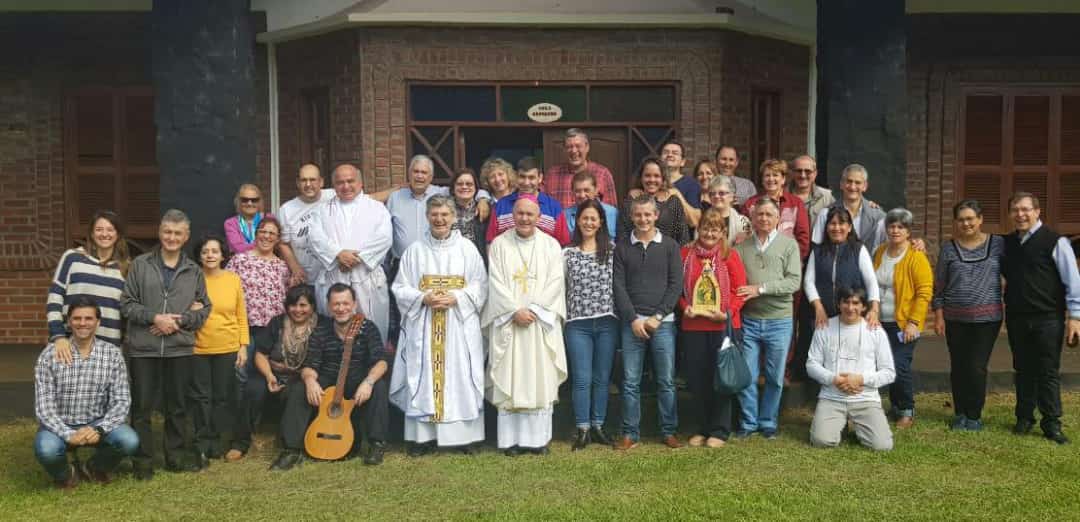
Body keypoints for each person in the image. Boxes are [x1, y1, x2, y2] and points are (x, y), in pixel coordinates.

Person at [391, 196, 488, 455]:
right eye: (434, 214)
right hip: (424, 322)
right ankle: (424, 438)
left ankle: (463, 438)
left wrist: (456, 297)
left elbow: (481, 284)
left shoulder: (467, 249)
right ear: (427, 216)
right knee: (424, 378)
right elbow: (400, 287)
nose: (440, 219)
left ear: (454, 217)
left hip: (458, 324)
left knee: (460, 377)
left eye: (445, 214)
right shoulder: (415, 250)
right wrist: (423, 297)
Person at [121, 209, 211, 479]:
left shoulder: (194, 270)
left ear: (186, 237)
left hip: (179, 349)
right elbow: (127, 304)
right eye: (167, 232)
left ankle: (174, 457)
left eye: (177, 233)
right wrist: (155, 318)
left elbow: (204, 308)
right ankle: (143, 463)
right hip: (143, 348)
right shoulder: (141, 264)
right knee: (142, 408)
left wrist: (181, 320)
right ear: (160, 233)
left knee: (178, 408)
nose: (171, 237)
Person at [483, 195, 568, 455]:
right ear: (513, 215)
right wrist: (513, 311)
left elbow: (556, 282)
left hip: (538, 325)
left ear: (539, 217)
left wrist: (533, 311)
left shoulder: (551, 245)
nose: (524, 218)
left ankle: (538, 441)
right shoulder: (499, 244)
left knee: (539, 380)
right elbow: (495, 281)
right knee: (511, 377)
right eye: (520, 213)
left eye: (530, 214)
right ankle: (511, 442)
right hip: (510, 323)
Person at [275, 284, 390, 468]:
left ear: (354, 304)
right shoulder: (321, 329)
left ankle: (377, 445)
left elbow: (381, 361)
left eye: (345, 303)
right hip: (327, 380)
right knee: (297, 388)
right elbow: (310, 364)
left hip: (357, 381)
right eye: (336, 304)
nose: (341, 308)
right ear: (329, 306)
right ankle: (291, 450)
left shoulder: (367, 328)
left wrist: (368, 382)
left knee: (379, 386)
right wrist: (310, 380)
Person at [1001, 192, 1080, 445]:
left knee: (1047, 372)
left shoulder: (1055, 242)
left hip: (1048, 319)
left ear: (1037, 212)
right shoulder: (1008, 243)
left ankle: (1051, 423)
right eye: (1015, 210)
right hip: (1017, 318)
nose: (1020, 214)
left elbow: (1073, 282)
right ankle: (1024, 418)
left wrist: (1075, 317)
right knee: (1022, 369)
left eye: (1025, 209)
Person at [34, 297, 137, 489]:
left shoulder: (112, 354)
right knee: (46, 449)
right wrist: (67, 433)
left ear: (98, 322)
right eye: (77, 318)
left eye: (88, 318)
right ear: (69, 321)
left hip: (97, 422)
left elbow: (122, 401)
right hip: (60, 422)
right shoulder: (49, 355)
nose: (83, 323)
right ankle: (66, 475)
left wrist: (100, 429)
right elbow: (44, 407)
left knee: (129, 441)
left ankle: (95, 467)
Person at [613, 195, 684, 450]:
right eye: (638, 215)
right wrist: (632, 319)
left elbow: (676, 285)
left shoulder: (670, 246)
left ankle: (669, 430)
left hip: (662, 323)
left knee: (666, 380)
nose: (643, 219)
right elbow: (618, 286)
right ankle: (630, 432)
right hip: (632, 324)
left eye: (648, 215)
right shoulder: (622, 247)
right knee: (631, 381)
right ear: (632, 216)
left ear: (656, 216)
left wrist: (657, 317)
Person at [234, 285, 329, 468]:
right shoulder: (278, 323)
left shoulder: (323, 325)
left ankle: (293, 448)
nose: (298, 310)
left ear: (313, 306)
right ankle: (240, 442)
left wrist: (298, 372)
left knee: (297, 391)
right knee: (253, 387)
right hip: (274, 374)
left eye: (303, 305)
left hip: (305, 377)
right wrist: (270, 375)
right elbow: (261, 354)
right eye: (293, 305)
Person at [932, 200, 1005, 432]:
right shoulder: (948, 249)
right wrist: (939, 315)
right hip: (955, 318)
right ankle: (960, 413)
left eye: (970, 218)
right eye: (961, 219)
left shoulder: (998, 244)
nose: (966, 223)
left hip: (988, 319)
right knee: (959, 366)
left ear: (980, 219)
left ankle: (974, 415)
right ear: (956, 222)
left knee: (976, 366)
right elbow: (940, 286)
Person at [733, 197, 802, 439]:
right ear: (752, 217)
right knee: (748, 376)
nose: (763, 218)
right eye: (759, 214)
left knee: (774, 376)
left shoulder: (789, 245)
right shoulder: (741, 248)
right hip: (749, 319)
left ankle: (768, 422)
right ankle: (749, 422)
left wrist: (759, 288)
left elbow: (793, 282)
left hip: (779, 320)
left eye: (768, 215)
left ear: (777, 219)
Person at [678, 208, 747, 448]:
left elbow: (740, 292)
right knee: (698, 379)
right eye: (705, 227)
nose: (709, 233)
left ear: (722, 232)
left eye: (714, 229)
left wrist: (726, 313)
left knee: (721, 378)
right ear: (699, 229)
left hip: (723, 326)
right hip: (693, 325)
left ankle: (719, 430)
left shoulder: (730, 256)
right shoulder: (685, 254)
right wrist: (685, 306)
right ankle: (701, 427)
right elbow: (678, 289)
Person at [308, 163, 394, 343]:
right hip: (335, 273)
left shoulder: (376, 208)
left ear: (361, 183)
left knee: (370, 325)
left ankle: (372, 366)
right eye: (340, 182)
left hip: (366, 275)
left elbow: (384, 237)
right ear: (333, 185)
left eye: (350, 181)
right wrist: (338, 254)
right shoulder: (322, 210)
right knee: (333, 326)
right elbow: (315, 238)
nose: (346, 186)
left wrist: (358, 258)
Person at [806, 287, 895, 451]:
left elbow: (889, 372)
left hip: (865, 399)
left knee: (882, 446)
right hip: (832, 397)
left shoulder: (875, 331)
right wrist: (834, 379)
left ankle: (859, 427)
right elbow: (811, 365)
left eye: (855, 303)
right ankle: (840, 424)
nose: (850, 307)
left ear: (864, 307)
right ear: (839, 304)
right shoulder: (824, 327)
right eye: (845, 302)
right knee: (821, 441)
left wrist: (861, 379)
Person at [563, 198, 619, 450]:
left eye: (593, 218)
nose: (588, 222)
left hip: (607, 322)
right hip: (578, 325)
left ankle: (598, 425)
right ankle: (582, 428)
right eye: (584, 218)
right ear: (577, 221)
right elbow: (559, 288)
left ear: (600, 222)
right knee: (582, 378)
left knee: (602, 378)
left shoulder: (613, 250)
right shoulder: (567, 253)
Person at [872, 208, 933, 429]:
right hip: (879, 322)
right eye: (892, 226)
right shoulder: (879, 252)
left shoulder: (916, 256)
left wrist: (913, 322)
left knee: (899, 364)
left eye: (901, 227)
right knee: (885, 365)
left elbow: (924, 292)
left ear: (908, 231)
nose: (895, 230)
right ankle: (895, 406)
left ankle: (907, 410)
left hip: (904, 323)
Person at [191, 235, 248, 466]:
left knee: (222, 398)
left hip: (227, 345)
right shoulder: (192, 279)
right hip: (198, 347)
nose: (210, 255)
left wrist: (243, 346)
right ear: (199, 256)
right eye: (205, 251)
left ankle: (219, 441)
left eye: (215, 251)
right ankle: (204, 442)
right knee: (202, 397)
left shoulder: (233, 279)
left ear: (223, 255)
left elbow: (241, 314)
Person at [47, 209, 131, 360]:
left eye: (110, 229)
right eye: (99, 229)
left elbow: (127, 312)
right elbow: (55, 297)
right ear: (92, 234)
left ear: (117, 234)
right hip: (69, 346)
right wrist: (58, 336)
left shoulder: (125, 268)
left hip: (109, 349)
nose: (104, 234)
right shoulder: (73, 258)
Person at [226, 217, 290, 398]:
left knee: (266, 374)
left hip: (271, 332)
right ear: (256, 234)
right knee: (240, 371)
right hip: (244, 328)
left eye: (272, 233)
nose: (267, 236)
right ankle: (238, 416)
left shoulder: (282, 267)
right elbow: (227, 290)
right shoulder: (239, 261)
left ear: (277, 239)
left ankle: (260, 419)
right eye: (263, 231)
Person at [804, 207, 881, 328]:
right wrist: (818, 308)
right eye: (832, 224)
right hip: (823, 318)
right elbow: (808, 282)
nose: (837, 228)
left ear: (849, 227)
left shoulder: (858, 249)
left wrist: (874, 309)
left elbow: (871, 281)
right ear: (827, 227)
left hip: (852, 316)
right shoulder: (817, 251)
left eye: (841, 223)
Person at [487, 156, 571, 245]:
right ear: (516, 176)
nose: (526, 183)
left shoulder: (554, 207)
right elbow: (491, 243)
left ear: (540, 178)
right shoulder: (501, 205)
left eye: (531, 177)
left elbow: (563, 244)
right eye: (522, 177)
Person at [278, 163, 336, 287]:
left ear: (321, 182)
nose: (308, 184)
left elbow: (366, 200)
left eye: (312, 180)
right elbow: (283, 243)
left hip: (333, 276)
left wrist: (389, 192)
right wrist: (295, 268)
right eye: (304, 180)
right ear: (298, 183)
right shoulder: (286, 210)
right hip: (304, 278)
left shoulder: (334, 196)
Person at [741, 159, 810, 260]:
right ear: (762, 179)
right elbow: (743, 233)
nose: (771, 179)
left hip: (787, 261)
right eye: (767, 175)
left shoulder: (796, 203)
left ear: (783, 179)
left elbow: (803, 238)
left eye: (775, 175)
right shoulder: (750, 204)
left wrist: (792, 259)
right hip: (757, 260)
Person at [811, 164, 886, 254]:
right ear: (841, 184)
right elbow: (817, 249)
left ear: (865, 186)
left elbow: (886, 249)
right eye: (849, 181)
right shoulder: (826, 213)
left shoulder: (878, 217)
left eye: (857, 182)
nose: (852, 187)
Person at [617, 157, 690, 246]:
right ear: (641, 178)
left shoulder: (673, 202)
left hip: (667, 255)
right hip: (635, 255)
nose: (652, 180)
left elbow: (683, 237)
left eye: (656, 176)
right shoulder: (630, 202)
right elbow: (622, 235)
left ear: (663, 178)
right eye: (647, 175)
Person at [544, 128, 618, 208]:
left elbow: (611, 213)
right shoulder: (552, 175)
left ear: (587, 147)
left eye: (578, 146)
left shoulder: (603, 174)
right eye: (569, 147)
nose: (574, 151)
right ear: (564, 150)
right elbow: (543, 210)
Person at [564, 171, 618, 239]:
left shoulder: (612, 212)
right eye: (577, 191)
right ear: (572, 192)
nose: (582, 195)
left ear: (596, 190)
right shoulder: (565, 215)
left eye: (586, 190)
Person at [450, 167, 489, 261]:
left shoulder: (486, 210)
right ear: (453, 188)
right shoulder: (445, 211)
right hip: (451, 263)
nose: (464, 187)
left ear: (476, 188)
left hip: (477, 262)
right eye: (459, 184)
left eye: (469, 184)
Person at [788, 155, 835, 230]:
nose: (803, 175)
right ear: (792, 173)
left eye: (808, 171)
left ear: (815, 173)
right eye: (799, 171)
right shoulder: (781, 196)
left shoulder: (827, 197)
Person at [223, 183, 273, 255]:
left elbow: (275, 244)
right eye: (245, 200)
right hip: (241, 264)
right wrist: (264, 244)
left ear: (260, 202)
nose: (249, 203)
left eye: (254, 200)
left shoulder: (269, 219)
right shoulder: (230, 223)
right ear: (239, 202)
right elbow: (238, 248)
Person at [704, 175, 750, 245]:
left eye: (721, 193)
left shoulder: (744, 222)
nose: (716, 196)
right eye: (712, 193)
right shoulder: (703, 220)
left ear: (732, 196)